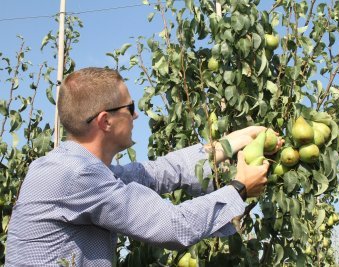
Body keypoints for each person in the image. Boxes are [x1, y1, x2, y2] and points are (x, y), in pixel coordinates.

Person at [5, 67, 282, 266]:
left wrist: (231, 143)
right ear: (105, 121)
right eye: (129, 107)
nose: (136, 114)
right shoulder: (77, 176)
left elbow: (156, 173)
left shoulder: (66, 166)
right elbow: (173, 227)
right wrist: (239, 189)